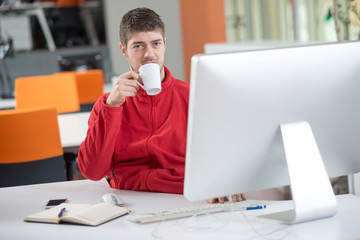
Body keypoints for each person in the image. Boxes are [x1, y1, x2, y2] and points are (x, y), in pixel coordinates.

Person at [78, 7, 245, 203]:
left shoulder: (193, 96)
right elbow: (92, 171)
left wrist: (217, 183)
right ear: (124, 50)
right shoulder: (108, 103)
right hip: (131, 201)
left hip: (185, 199)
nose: (150, 54)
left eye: (155, 44)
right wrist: (112, 107)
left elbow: (220, 158)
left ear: (164, 44)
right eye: (138, 46)